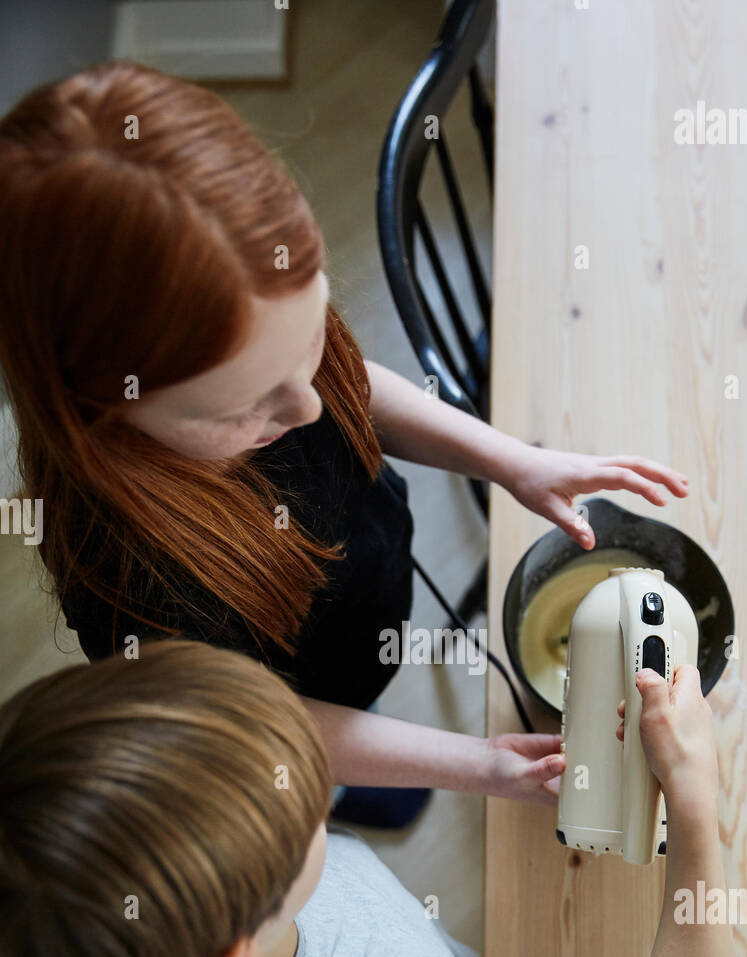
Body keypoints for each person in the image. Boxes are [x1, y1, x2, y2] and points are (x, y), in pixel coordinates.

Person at [0, 60, 689, 829]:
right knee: (307, 787)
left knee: (368, 700)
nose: (309, 405)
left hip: (363, 623)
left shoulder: (259, 334)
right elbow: (266, 725)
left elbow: (349, 382)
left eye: (308, 350)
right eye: (249, 404)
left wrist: (511, 461)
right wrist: (477, 764)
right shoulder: (131, 588)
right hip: (286, 722)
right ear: (101, 408)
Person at [0, 641, 732, 957]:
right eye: (307, 807)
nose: (320, 786)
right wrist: (696, 797)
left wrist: (480, 764)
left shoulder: (101, 917)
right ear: (235, 954)